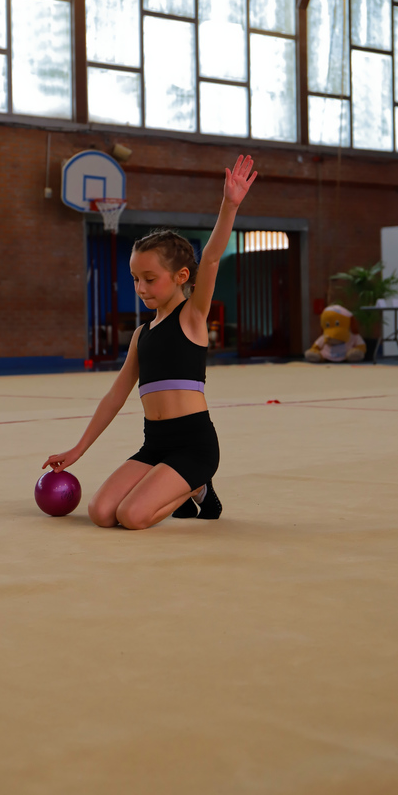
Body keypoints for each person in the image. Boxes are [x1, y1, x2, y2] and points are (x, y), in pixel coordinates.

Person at [42, 154, 257, 530]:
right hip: (155, 445)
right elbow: (115, 396)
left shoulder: (192, 317)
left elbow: (210, 259)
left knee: (132, 516)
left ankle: (197, 487)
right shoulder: (142, 334)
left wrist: (230, 205)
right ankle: (181, 486)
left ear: (181, 276)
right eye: (135, 278)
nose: (141, 288)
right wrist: (78, 449)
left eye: (150, 278)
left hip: (194, 446)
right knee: (101, 513)